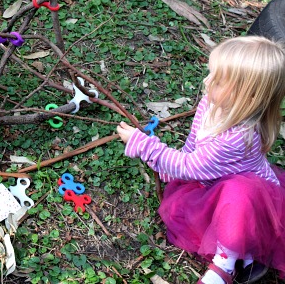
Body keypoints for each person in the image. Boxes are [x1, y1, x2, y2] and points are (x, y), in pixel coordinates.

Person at [117, 36, 285, 284]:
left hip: (246, 204)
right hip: (214, 185)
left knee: (238, 196)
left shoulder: (238, 137)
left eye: (217, 81)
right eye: (211, 74)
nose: (207, 82)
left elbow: (190, 168)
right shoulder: (210, 103)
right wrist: (173, 168)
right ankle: (247, 252)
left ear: (246, 98)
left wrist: (145, 146)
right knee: (225, 196)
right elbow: (193, 145)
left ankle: (226, 264)